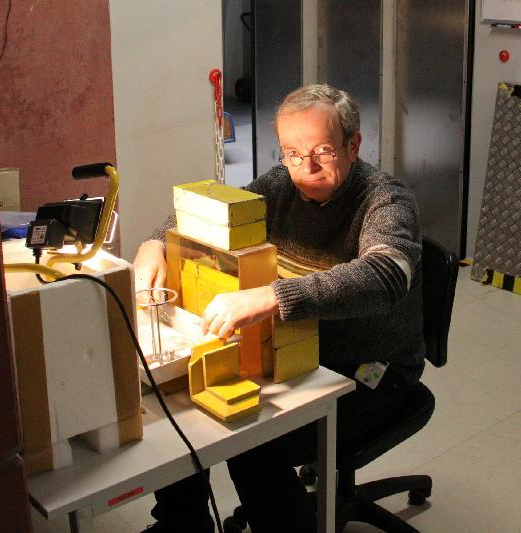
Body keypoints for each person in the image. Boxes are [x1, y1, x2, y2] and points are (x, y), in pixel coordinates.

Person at [133, 84, 424, 533]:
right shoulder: (282, 184)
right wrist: (154, 242)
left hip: (371, 371)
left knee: (252, 439)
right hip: (297, 351)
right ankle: (182, 523)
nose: (305, 167)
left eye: (322, 150)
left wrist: (274, 297)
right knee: (183, 404)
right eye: (291, 153)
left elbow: (384, 276)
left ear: (354, 144)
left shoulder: (386, 201)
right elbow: (217, 211)